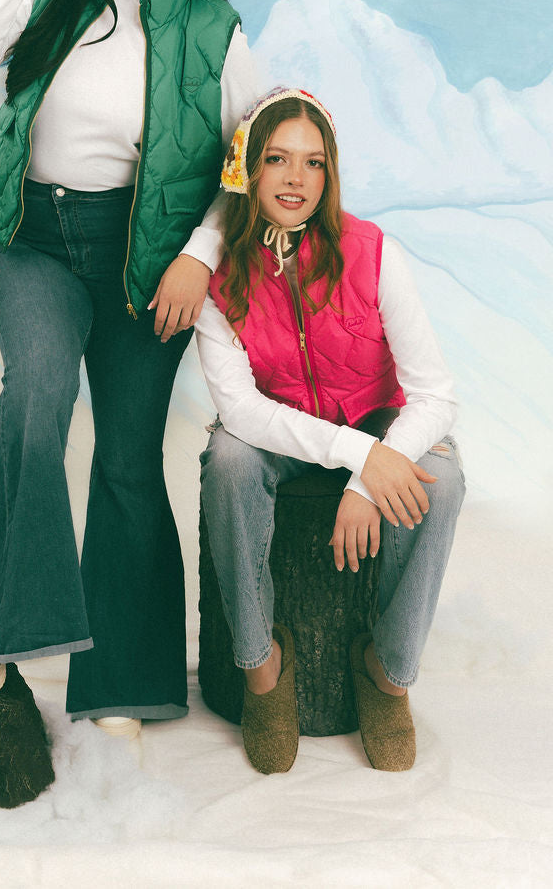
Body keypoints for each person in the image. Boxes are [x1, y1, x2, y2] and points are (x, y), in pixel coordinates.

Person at [0, 0, 260, 737]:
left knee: (127, 458)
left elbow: (243, 160)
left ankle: (125, 683)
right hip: (31, 241)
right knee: (37, 390)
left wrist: (199, 257)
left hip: (144, 262)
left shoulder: (212, 25)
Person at [195, 87, 464, 773]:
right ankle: (261, 668)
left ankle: (387, 674)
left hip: (374, 416)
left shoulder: (372, 252)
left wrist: (370, 480)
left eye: (313, 162)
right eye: (277, 159)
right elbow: (241, 411)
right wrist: (359, 457)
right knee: (228, 459)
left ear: (330, 173)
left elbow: (435, 396)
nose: (296, 179)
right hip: (279, 439)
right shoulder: (218, 275)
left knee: (442, 477)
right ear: (248, 168)